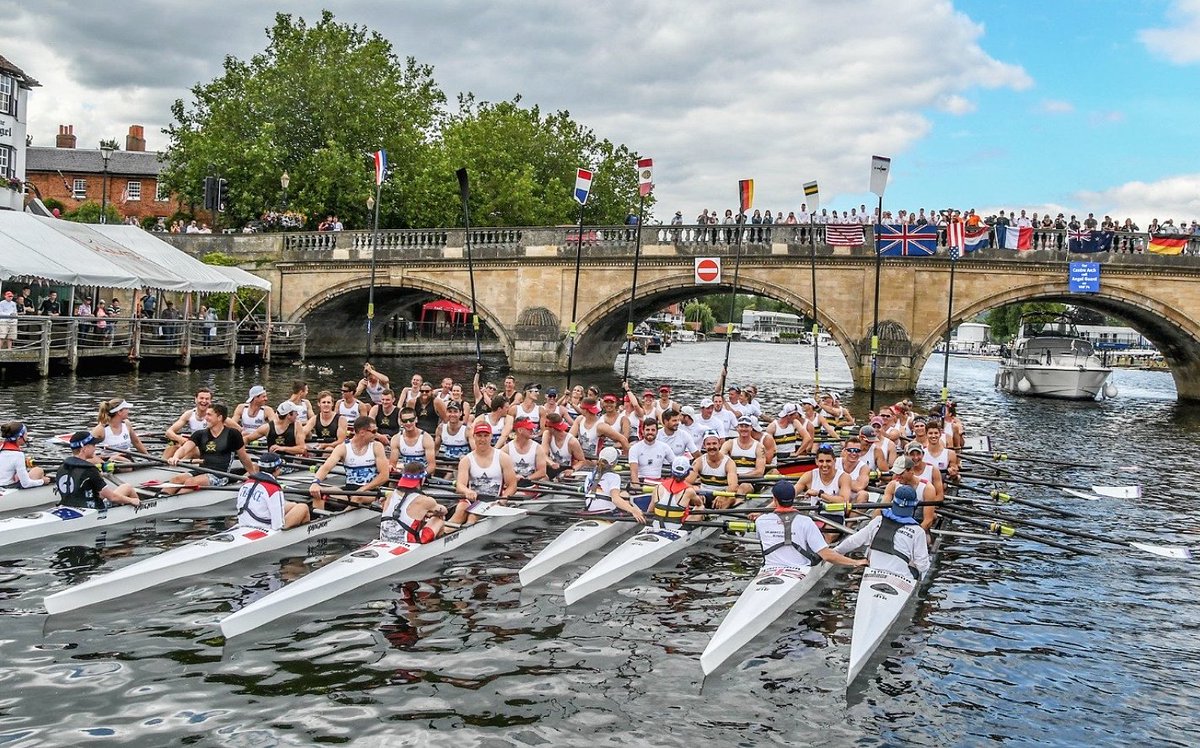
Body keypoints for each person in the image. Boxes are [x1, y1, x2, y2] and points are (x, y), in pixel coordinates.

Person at [755, 481, 865, 570]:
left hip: (769, 569)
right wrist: (856, 562)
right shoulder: (806, 521)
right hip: (799, 570)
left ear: (774, 499)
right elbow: (827, 556)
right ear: (794, 498)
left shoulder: (760, 521)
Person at [834, 484, 931, 581]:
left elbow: (853, 541)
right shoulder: (918, 532)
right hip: (902, 580)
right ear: (914, 507)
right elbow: (922, 565)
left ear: (893, 503)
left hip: (873, 576)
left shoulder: (877, 521)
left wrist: (834, 552)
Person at [165, 403, 256, 494]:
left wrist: (254, 475)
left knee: (191, 482)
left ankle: (172, 503)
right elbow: (184, 449)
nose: (205, 418)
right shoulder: (200, 434)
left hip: (220, 476)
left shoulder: (233, 434)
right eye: (206, 414)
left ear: (219, 417)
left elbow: (243, 457)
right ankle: (161, 497)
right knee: (176, 479)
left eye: (209, 415)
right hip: (201, 471)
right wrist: (175, 457)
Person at [309, 416, 391, 510]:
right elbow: (326, 467)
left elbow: (384, 475)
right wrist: (315, 483)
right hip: (349, 490)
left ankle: (341, 518)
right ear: (362, 432)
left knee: (357, 497)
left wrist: (362, 490)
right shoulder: (343, 448)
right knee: (319, 492)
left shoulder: (376, 446)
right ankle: (320, 520)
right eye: (373, 431)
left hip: (370, 491)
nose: (376, 434)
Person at [380, 462, 462, 544]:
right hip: (409, 542)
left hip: (384, 538)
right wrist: (430, 513)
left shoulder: (390, 495)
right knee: (439, 519)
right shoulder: (425, 500)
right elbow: (444, 511)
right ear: (422, 479)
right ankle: (438, 545)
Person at [55, 431, 140, 508]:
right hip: (93, 510)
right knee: (127, 487)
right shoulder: (90, 470)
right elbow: (112, 497)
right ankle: (139, 508)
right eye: (93, 445)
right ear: (84, 449)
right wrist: (131, 500)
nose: (95, 449)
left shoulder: (61, 468)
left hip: (67, 506)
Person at [235, 452, 310, 531]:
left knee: (293, 505)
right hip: (264, 529)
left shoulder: (246, 483)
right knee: (303, 507)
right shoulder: (273, 489)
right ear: (277, 469)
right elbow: (277, 526)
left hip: (243, 523)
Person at [794, 444, 851, 541]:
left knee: (825, 537)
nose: (824, 465)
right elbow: (788, 495)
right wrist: (763, 511)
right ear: (816, 462)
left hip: (835, 517)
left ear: (834, 461)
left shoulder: (843, 477)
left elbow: (844, 501)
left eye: (828, 461)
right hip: (814, 516)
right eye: (821, 461)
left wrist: (819, 494)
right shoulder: (809, 475)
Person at [455, 422, 518, 508]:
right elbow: (460, 486)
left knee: (472, 517)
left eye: (486, 436)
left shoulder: (503, 458)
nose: (482, 439)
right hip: (472, 501)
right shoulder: (466, 460)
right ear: (474, 437)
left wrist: (502, 501)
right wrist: (467, 491)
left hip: (494, 502)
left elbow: (512, 485)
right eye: (479, 436)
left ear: (491, 436)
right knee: (460, 509)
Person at [584, 446, 647, 523]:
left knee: (621, 493)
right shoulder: (614, 477)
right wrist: (633, 510)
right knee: (625, 495)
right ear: (614, 463)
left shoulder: (589, 475)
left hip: (589, 510)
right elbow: (615, 500)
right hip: (606, 513)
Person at [689, 431, 739, 509]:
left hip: (722, 495)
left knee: (731, 498)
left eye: (714, 443)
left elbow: (733, 486)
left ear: (719, 444)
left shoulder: (729, 463)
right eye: (708, 444)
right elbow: (686, 483)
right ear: (704, 446)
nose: (712, 447)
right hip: (703, 495)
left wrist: (723, 495)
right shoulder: (699, 461)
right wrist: (695, 490)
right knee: (689, 495)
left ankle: (718, 516)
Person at [648, 456, 701, 527]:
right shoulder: (689, 491)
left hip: (656, 524)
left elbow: (650, 511)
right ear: (687, 472)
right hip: (677, 527)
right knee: (701, 507)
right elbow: (699, 503)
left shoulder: (658, 487)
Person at [163, 388, 214, 459]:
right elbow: (169, 432)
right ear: (195, 399)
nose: (204, 401)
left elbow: (234, 429)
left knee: (191, 449)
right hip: (193, 444)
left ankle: (178, 465)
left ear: (210, 401)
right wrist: (179, 439)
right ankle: (161, 463)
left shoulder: (215, 415)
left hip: (210, 448)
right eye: (201, 398)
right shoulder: (189, 414)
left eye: (207, 399)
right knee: (172, 445)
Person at [627, 417, 675, 490]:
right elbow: (634, 474)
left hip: (658, 483)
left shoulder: (664, 447)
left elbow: (675, 463)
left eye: (653, 430)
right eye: (647, 430)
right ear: (643, 431)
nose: (650, 432)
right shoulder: (634, 448)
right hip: (641, 483)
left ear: (657, 432)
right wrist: (638, 489)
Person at [0, 422, 50, 488]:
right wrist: (42, 481)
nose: (27, 436)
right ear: (19, 438)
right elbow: (26, 484)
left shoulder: (1, 446)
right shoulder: (18, 455)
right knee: (38, 470)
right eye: (25, 434)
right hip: (7, 488)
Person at [389, 407, 436, 471]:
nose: (408, 423)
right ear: (401, 422)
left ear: (416, 419)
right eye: (405, 421)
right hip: (405, 473)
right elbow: (392, 464)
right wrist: (392, 469)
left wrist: (423, 475)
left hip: (422, 474)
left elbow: (431, 465)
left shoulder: (426, 438)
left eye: (411, 420)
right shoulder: (396, 439)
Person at [540, 412, 585, 480]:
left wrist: (573, 469)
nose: (545, 428)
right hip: (552, 467)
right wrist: (551, 463)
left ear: (552, 428)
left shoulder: (572, 442)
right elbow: (543, 455)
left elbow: (582, 461)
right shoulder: (547, 434)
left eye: (546, 426)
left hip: (567, 470)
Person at [505, 417, 547, 485]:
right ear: (520, 430)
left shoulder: (538, 448)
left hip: (531, 485)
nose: (532, 430)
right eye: (529, 429)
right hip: (513, 484)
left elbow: (542, 472)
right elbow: (500, 471)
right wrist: (513, 477)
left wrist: (526, 479)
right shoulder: (506, 449)